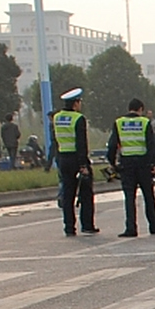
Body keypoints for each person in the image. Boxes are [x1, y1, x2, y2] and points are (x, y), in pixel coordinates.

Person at [107, 97, 155, 237]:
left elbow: (112, 145)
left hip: (126, 164)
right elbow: (151, 146)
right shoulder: (145, 122)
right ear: (140, 109)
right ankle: (154, 226)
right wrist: (154, 164)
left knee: (129, 197)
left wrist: (112, 163)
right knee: (148, 196)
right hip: (143, 164)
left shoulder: (119, 122)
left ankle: (131, 228)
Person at [51, 87, 98, 235]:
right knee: (85, 193)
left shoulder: (57, 118)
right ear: (75, 103)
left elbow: (56, 140)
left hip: (63, 158)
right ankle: (87, 225)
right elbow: (81, 143)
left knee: (68, 194)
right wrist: (83, 165)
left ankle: (69, 227)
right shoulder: (79, 119)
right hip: (76, 159)